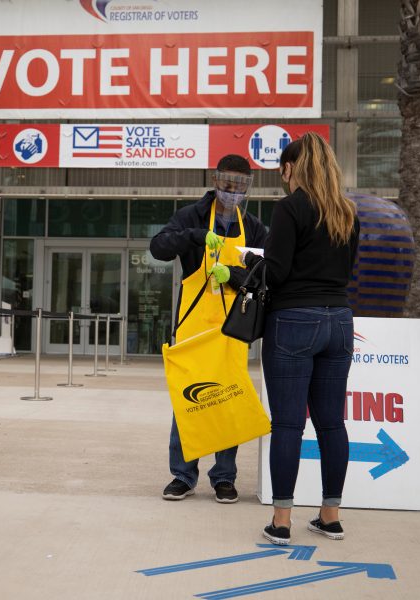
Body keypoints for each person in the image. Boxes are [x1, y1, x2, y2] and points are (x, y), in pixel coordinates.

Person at [243, 132, 360, 545]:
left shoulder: (290, 208)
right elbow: (347, 272)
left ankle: (281, 521)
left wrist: (244, 266)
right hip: (340, 322)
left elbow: (273, 272)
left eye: (281, 169)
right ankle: (330, 515)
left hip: (293, 320)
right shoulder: (348, 211)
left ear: (291, 168)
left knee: (289, 424)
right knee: (332, 423)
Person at [149, 154, 267, 504]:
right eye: (227, 183)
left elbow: (267, 271)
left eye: (240, 186)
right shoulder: (192, 216)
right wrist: (197, 236)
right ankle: (183, 475)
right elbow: (158, 247)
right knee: (188, 400)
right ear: (216, 181)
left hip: (232, 328)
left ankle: (224, 477)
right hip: (194, 326)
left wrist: (234, 275)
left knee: (227, 398)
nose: (232, 192)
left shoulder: (255, 227)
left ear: (248, 188)